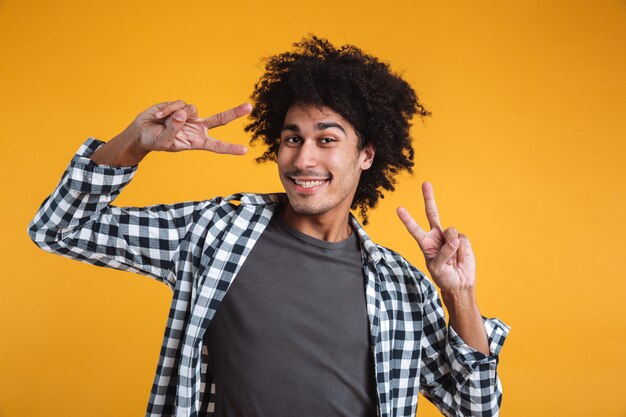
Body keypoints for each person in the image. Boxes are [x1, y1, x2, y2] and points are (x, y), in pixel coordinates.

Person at [28, 36, 509, 417]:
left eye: (326, 140)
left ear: (366, 155)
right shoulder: (216, 233)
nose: (304, 158)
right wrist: (135, 141)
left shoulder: (399, 285)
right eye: (291, 139)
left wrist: (459, 296)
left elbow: (476, 408)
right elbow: (60, 229)